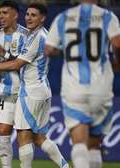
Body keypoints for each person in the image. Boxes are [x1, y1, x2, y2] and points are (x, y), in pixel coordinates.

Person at [0, 3, 69, 168]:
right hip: (41, 89)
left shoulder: (37, 37)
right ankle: (65, 166)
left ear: (43, 18)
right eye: (28, 14)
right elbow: (20, 59)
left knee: (23, 135)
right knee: (39, 137)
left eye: (34, 15)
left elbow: (16, 65)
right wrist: (5, 54)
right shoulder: (36, 35)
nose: (29, 18)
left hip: (31, 91)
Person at [45, 0, 120, 167]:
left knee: (79, 143)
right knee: (94, 145)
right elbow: (117, 43)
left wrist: (65, 51)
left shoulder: (63, 17)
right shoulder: (108, 16)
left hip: (74, 87)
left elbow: (48, 49)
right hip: (101, 87)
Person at [0, 1, 28, 168]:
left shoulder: (26, 35)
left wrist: (4, 53)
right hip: (4, 91)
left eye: (5, 13)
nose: (1, 16)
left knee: (27, 136)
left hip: (24, 91)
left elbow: (25, 64)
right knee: (3, 131)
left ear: (15, 15)